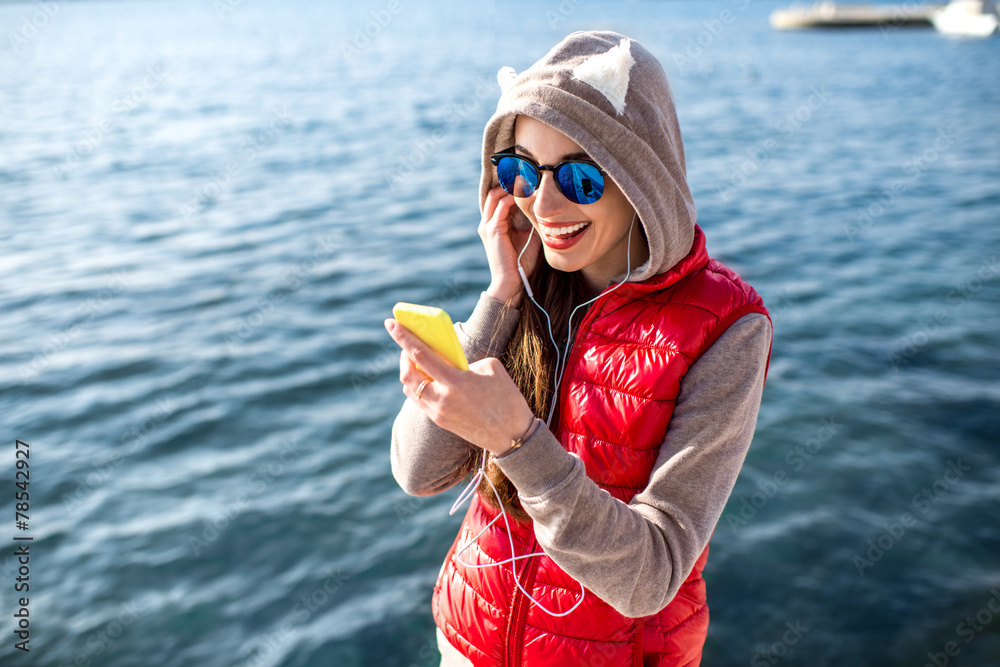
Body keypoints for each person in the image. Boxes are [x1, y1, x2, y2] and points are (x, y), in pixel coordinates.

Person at [384, 30, 773, 667]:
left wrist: (516, 442)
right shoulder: (522, 292)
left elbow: (652, 574)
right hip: (467, 641)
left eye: (580, 178)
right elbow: (418, 472)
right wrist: (498, 300)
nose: (544, 201)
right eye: (520, 172)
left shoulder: (726, 328)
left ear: (639, 179)